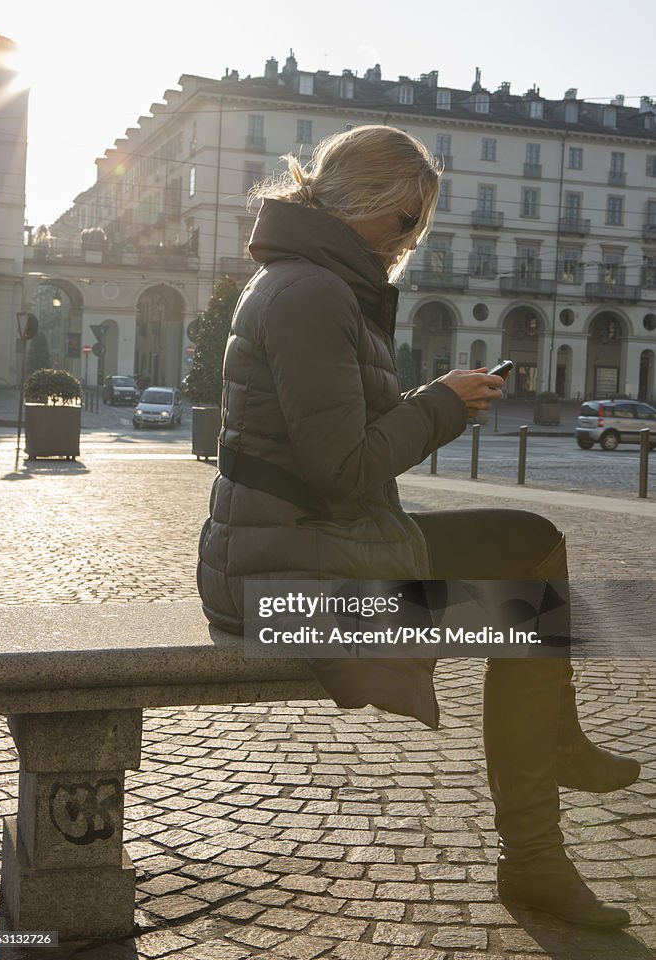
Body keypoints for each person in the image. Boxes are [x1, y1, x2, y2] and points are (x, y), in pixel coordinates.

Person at [197, 125, 640, 928]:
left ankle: (554, 775)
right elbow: (342, 467)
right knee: (528, 613)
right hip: (288, 594)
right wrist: (442, 406)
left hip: (305, 553)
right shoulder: (311, 294)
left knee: (531, 542)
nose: (408, 242)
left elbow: (333, 455)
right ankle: (537, 854)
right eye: (406, 222)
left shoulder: (308, 282)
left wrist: (434, 397)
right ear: (366, 205)